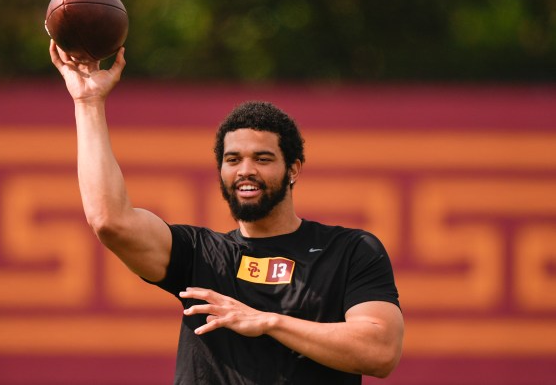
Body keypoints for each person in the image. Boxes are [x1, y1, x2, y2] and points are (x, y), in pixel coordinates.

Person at [50, 40, 404, 385]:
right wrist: (88, 101)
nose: (245, 170)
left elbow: (380, 352)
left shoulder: (349, 250)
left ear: (293, 169)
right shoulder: (199, 255)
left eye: (262, 159)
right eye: (232, 160)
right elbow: (110, 221)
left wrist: (267, 322)